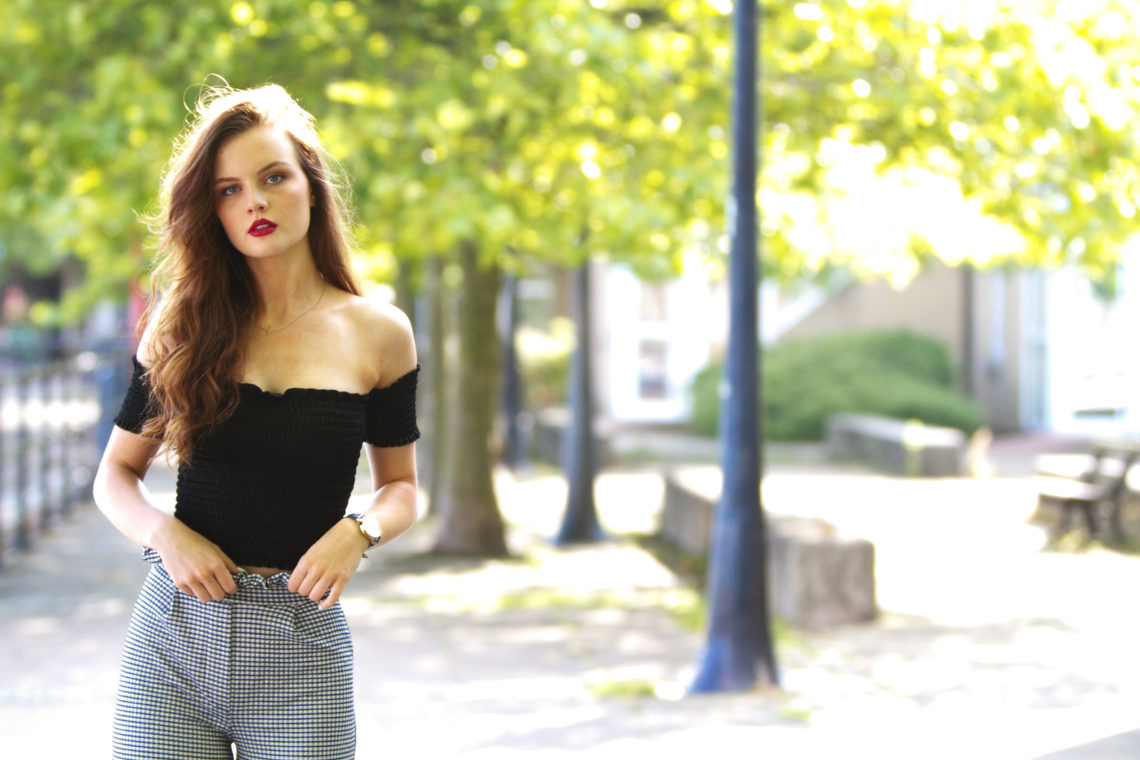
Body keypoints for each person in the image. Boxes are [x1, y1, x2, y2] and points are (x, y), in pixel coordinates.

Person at [93, 83, 420, 760]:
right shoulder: (180, 327)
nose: (255, 202)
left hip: (304, 647)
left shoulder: (380, 334)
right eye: (229, 190)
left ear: (312, 187)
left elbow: (402, 488)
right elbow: (115, 475)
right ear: (211, 210)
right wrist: (164, 535)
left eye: (274, 178)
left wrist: (358, 532)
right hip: (174, 639)